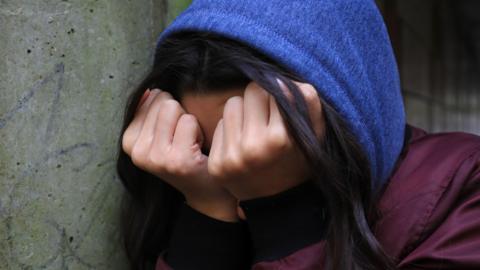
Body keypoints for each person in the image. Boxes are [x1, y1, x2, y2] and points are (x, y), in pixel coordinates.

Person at [116, 1, 480, 269]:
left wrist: (284, 212)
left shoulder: (465, 191)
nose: (236, 166)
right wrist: (207, 217)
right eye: (212, 150)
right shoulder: (206, 198)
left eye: (275, 145)